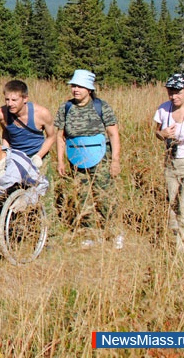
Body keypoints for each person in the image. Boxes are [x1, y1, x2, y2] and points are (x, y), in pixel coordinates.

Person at [54, 69, 122, 249]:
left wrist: (115, 160)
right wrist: (60, 161)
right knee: (82, 196)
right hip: (76, 157)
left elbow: (114, 135)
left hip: (101, 157)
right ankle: (90, 233)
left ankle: (112, 232)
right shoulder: (65, 108)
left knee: (104, 195)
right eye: (74, 86)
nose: (75, 89)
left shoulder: (101, 106)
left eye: (80, 86)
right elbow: (60, 137)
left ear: (89, 89)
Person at [153, 72, 184, 253]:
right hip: (170, 162)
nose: (173, 96)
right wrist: (162, 135)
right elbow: (156, 132)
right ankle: (176, 244)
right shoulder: (163, 109)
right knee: (173, 205)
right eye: (171, 91)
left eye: (178, 92)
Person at [0, 79, 56, 169]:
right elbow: (7, 132)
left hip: (39, 155)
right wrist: (5, 151)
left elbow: (51, 136)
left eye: (14, 100)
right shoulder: (1, 114)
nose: (10, 104)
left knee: (43, 182)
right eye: (7, 99)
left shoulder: (42, 114)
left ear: (25, 98)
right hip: (15, 157)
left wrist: (38, 156)